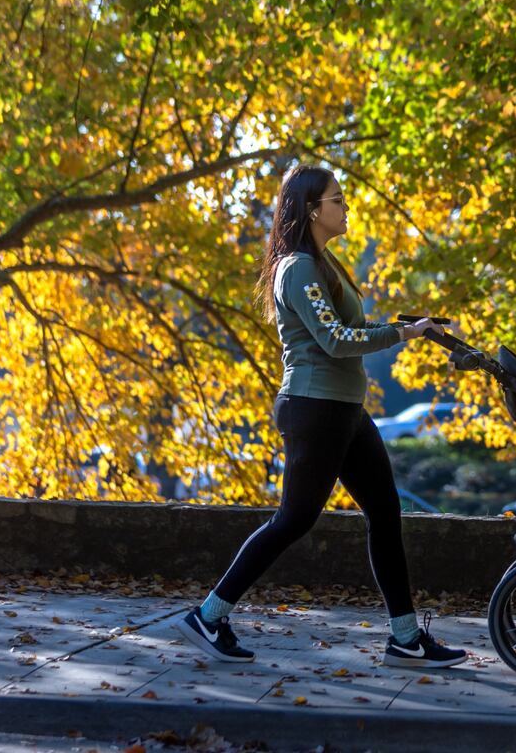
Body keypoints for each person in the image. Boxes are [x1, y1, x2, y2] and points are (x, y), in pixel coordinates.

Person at [175, 164, 468, 669]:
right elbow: (334, 340)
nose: (346, 205)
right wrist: (401, 335)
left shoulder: (325, 264)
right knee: (295, 519)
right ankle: (209, 614)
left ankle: (405, 638)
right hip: (316, 409)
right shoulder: (298, 268)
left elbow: (346, 327)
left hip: (345, 411)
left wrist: (402, 326)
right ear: (313, 209)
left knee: (384, 511)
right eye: (338, 198)